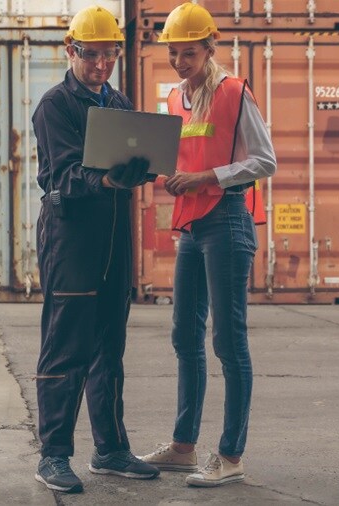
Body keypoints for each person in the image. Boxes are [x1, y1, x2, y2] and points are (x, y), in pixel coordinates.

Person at [139, 2, 276, 488]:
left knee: (229, 342)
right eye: (174, 53)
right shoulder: (174, 99)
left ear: (210, 47)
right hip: (192, 227)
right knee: (184, 336)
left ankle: (231, 454)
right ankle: (183, 446)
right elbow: (179, 154)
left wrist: (204, 177)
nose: (180, 61)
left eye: (189, 53)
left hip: (227, 221)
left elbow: (265, 160)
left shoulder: (234, 93)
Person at [31, 5, 160, 494]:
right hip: (71, 241)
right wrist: (104, 177)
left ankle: (109, 449)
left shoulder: (120, 104)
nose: (101, 65)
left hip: (112, 242)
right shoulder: (55, 106)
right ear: (71, 50)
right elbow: (58, 175)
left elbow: (128, 162)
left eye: (109, 55)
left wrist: (140, 170)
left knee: (109, 348)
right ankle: (53, 456)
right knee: (67, 348)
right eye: (91, 55)